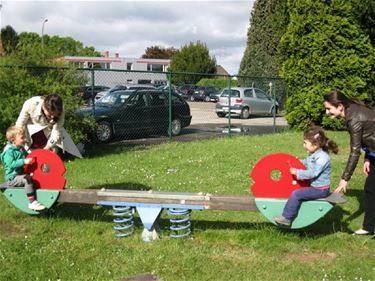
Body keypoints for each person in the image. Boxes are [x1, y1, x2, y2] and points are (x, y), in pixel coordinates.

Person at [324, 90, 375, 235]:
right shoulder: (351, 110)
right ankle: (368, 228)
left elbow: (355, 151)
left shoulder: (353, 118)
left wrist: (344, 179)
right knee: (371, 189)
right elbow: (370, 133)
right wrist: (369, 158)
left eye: (329, 108)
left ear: (340, 106)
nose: (327, 112)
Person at [274, 126, 339, 226]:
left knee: (296, 194)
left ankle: (286, 218)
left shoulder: (323, 158)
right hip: (315, 187)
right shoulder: (314, 153)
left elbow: (312, 173)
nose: (303, 145)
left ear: (316, 144)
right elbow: (307, 162)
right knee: (295, 189)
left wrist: (297, 172)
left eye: (305, 143)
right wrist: (297, 162)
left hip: (320, 190)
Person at [15, 94, 82, 158]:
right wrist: (18, 142)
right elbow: (19, 125)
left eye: (55, 115)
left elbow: (56, 130)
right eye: (50, 114)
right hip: (31, 132)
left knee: (51, 156)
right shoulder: (30, 104)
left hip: (48, 133)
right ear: (44, 106)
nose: (52, 117)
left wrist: (48, 146)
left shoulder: (60, 110)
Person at [0, 126, 46, 211]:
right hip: (13, 177)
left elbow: (28, 155)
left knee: (32, 177)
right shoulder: (9, 152)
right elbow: (11, 164)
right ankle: (32, 202)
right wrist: (23, 161)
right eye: (22, 137)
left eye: (25, 137)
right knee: (27, 179)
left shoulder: (20, 149)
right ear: (13, 140)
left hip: (20, 175)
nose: (25, 139)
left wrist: (36, 155)